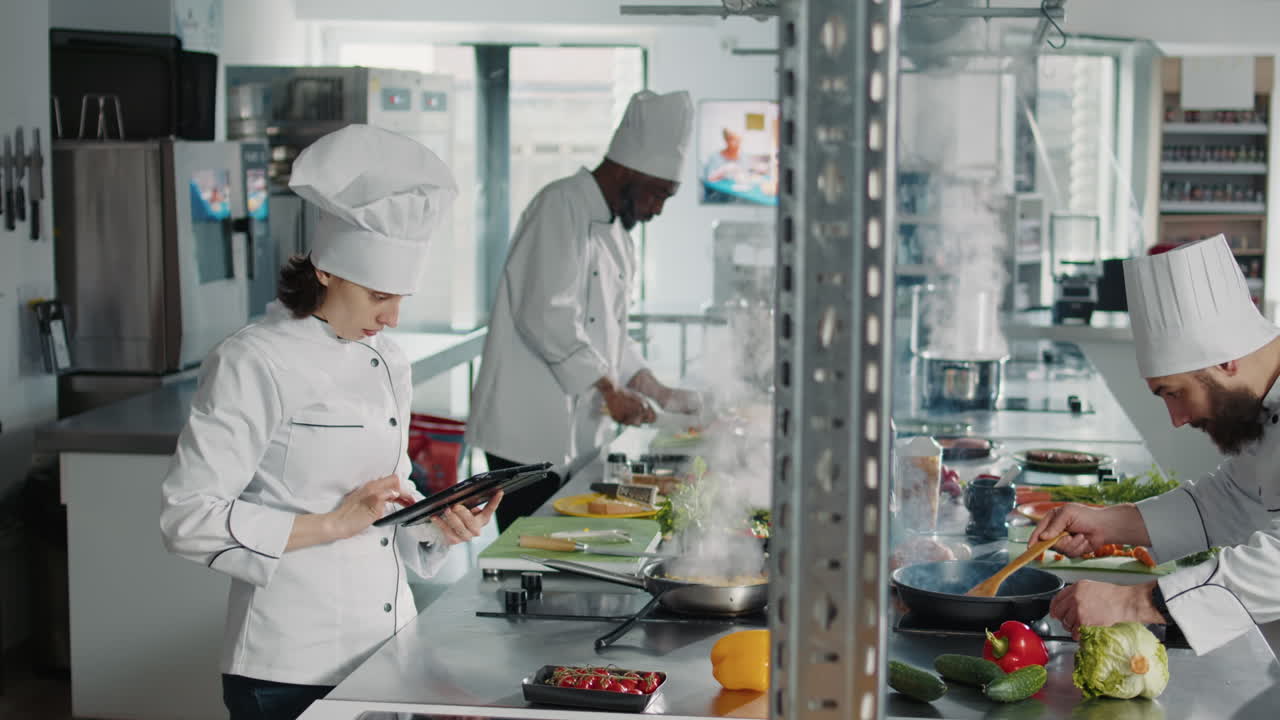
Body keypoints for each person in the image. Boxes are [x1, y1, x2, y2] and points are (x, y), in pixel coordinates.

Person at [160, 124, 501, 720]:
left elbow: (387, 501)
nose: (392, 317)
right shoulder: (254, 359)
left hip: (386, 651)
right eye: (378, 295)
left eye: (403, 298)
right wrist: (330, 525)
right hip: (288, 663)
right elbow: (189, 518)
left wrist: (437, 525)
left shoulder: (388, 361)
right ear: (325, 271)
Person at [1029, 234, 1280, 655]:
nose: (1177, 419)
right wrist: (1110, 522)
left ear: (1225, 360)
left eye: (1174, 392)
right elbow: (1235, 500)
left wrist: (1136, 601)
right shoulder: (1261, 406)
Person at [467, 89, 701, 531]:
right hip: (525, 431)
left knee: (566, 541)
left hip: (579, 432)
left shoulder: (619, 236)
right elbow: (545, 314)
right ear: (630, 170)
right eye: (657, 195)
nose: (656, 210)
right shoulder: (560, 206)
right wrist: (611, 391)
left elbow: (614, 333)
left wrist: (658, 390)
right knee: (531, 553)